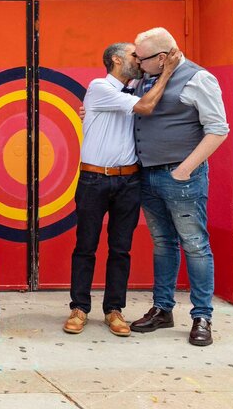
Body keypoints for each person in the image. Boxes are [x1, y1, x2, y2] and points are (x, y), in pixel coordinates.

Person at [65, 42, 180, 337]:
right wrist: (166, 74)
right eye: (133, 55)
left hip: (129, 180)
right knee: (86, 246)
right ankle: (79, 308)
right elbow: (144, 107)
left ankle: (113, 309)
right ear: (116, 59)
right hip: (94, 178)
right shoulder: (100, 86)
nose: (139, 59)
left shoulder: (139, 86)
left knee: (121, 248)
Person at [128, 28, 229, 347]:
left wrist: (185, 169)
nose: (137, 63)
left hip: (181, 176)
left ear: (161, 58)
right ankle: (163, 309)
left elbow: (218, 129)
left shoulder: (199, 79)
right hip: (148, 174)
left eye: (141, 58)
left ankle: (202, 316)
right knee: (162, 242)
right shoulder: (144, 79)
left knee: (195, 243)